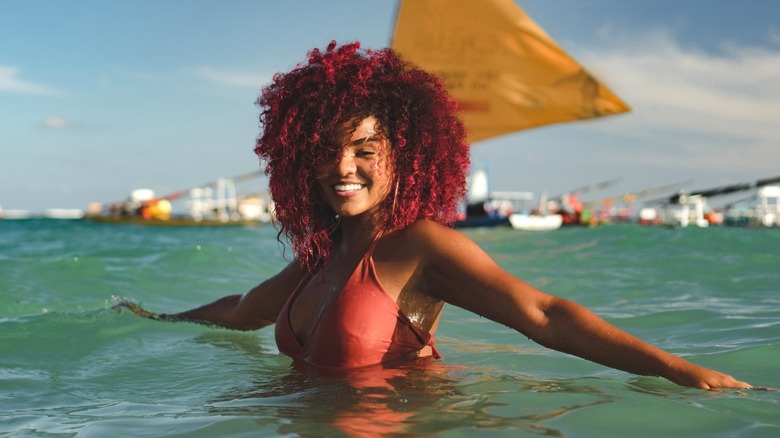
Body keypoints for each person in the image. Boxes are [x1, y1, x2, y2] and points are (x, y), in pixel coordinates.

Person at [117, 41, 749, 390]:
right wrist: (152, 320)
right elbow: (240, 311)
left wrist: (680, 371)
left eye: (365, 151)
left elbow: (544, 314)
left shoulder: (420, 248)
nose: (344, 167)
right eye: (327, 151)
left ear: (404, 155)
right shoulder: (319, 260)